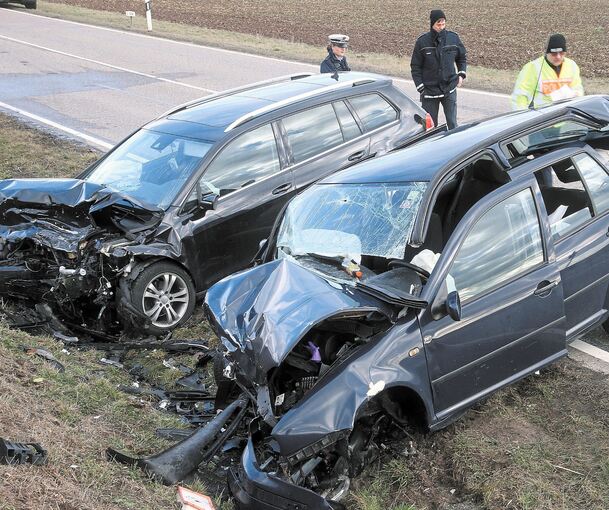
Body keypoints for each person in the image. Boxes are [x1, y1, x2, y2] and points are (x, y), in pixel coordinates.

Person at [410, 9, 467, 130]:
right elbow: (415, 67)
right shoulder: (422, 42)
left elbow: (462, 58)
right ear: (432, 24)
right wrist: (421, 88)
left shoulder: (453, 38)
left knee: (452, 124)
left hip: (449, 88)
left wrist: (461, 75)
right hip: (429, 92)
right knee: (430, 127)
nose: (441, 27)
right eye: (438, 24)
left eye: (443, 24)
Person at [511, 34, 584, 110]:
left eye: (561, 53)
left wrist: (576, 94)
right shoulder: (532, 68)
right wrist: (524, 118)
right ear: (547, 52)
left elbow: (578, 89)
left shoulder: (572, 65)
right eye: (554, 54)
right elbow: (520, 97)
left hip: (565, 116)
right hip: (543, 118)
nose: (558, 57)